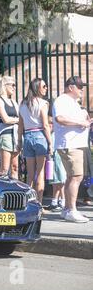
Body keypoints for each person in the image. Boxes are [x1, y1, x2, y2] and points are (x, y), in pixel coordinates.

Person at [53, 76, 90, 223]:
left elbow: (78, 121)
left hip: (76, 144)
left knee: (72, 177)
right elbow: (59, 119)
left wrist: (86, 122)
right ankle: (72, 210)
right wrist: (80, 122)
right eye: (79, 86)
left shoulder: (73, 102)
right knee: (76, 177)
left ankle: (68, 209)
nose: (82, 89)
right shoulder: (61, 100)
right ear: (70, 87)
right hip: (69, 144)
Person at [17, 78, 52, 204]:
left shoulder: (23, 104)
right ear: (37, 88)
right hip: (40, 136)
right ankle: (39, 203)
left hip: (27, 136)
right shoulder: (43, 103)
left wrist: (19, 142)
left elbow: (20, 125)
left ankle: (27, 202)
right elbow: (45, 124)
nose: (46, 88)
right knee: (40, 172)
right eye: (44, 86)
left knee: (30, 174)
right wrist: (50, 143)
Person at [0, 75, 20, 179]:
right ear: (4, 85)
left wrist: (18, 121)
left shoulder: (14, 102)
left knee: (15, 167)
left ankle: (17, 193)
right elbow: (6, 120)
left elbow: (18, 117)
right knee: (4, 169)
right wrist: (19, 121)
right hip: (5, 135)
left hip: (16, 135)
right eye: (12, 85)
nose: (14, 87)